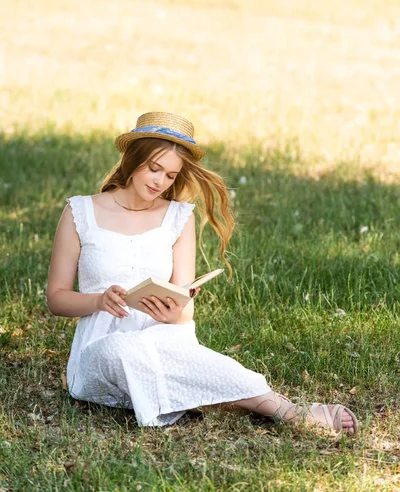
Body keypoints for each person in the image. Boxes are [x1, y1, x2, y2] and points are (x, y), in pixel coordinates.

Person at [47, 111, 358, 433]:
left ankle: (285, 409)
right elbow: (56, 299)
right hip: (102, 349)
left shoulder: (179, 216)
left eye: (170, 175)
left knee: (171, 354)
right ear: (131, 159)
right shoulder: (80, 211)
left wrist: (175, 313)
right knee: (121, 349)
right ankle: (264, 403)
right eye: (154, 169)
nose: (159, 182)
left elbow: (185, 307)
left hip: (164, 336)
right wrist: (99, 301)